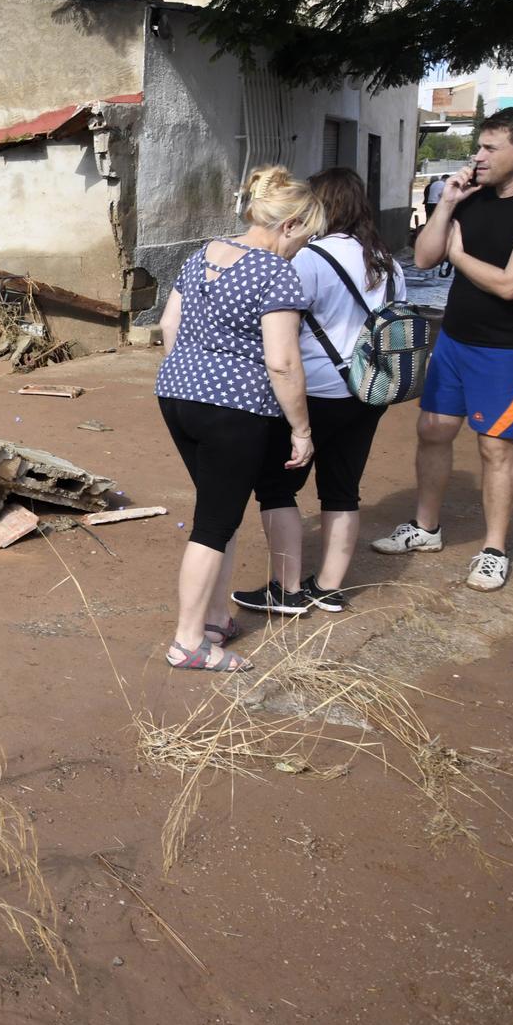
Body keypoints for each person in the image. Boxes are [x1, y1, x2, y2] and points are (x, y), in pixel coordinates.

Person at [372, 108, 513, 590]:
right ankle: (425, 528)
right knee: (433, 430)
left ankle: (494, 549)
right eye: (479, 146)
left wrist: (460, 256)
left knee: (495, 447)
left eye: (490, 148)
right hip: (457, 338)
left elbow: (510, 285)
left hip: (509, 349)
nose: (478, 156)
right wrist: (447, 204)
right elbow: (422, 257)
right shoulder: (470, 194)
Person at [155, 166, 324, 671]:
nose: (301, 248)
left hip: (178, 396)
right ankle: (189, 642)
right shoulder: (275, 273)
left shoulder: (202, 253)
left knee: (219, 511)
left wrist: (193, 374)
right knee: (213, 523)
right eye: (305, 237)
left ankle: (212, 620)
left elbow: (169, 324)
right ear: (288, 224)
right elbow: (283, 361)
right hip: (235, 409)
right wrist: (301, 429)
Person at [233, 169, 408, 616]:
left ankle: (285, 588)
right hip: (370, 390)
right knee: (343, 488)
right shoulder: (386, 261)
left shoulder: (308, 259)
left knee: (276, 486)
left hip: (313, 389)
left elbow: (276, 327)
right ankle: (328, 587)